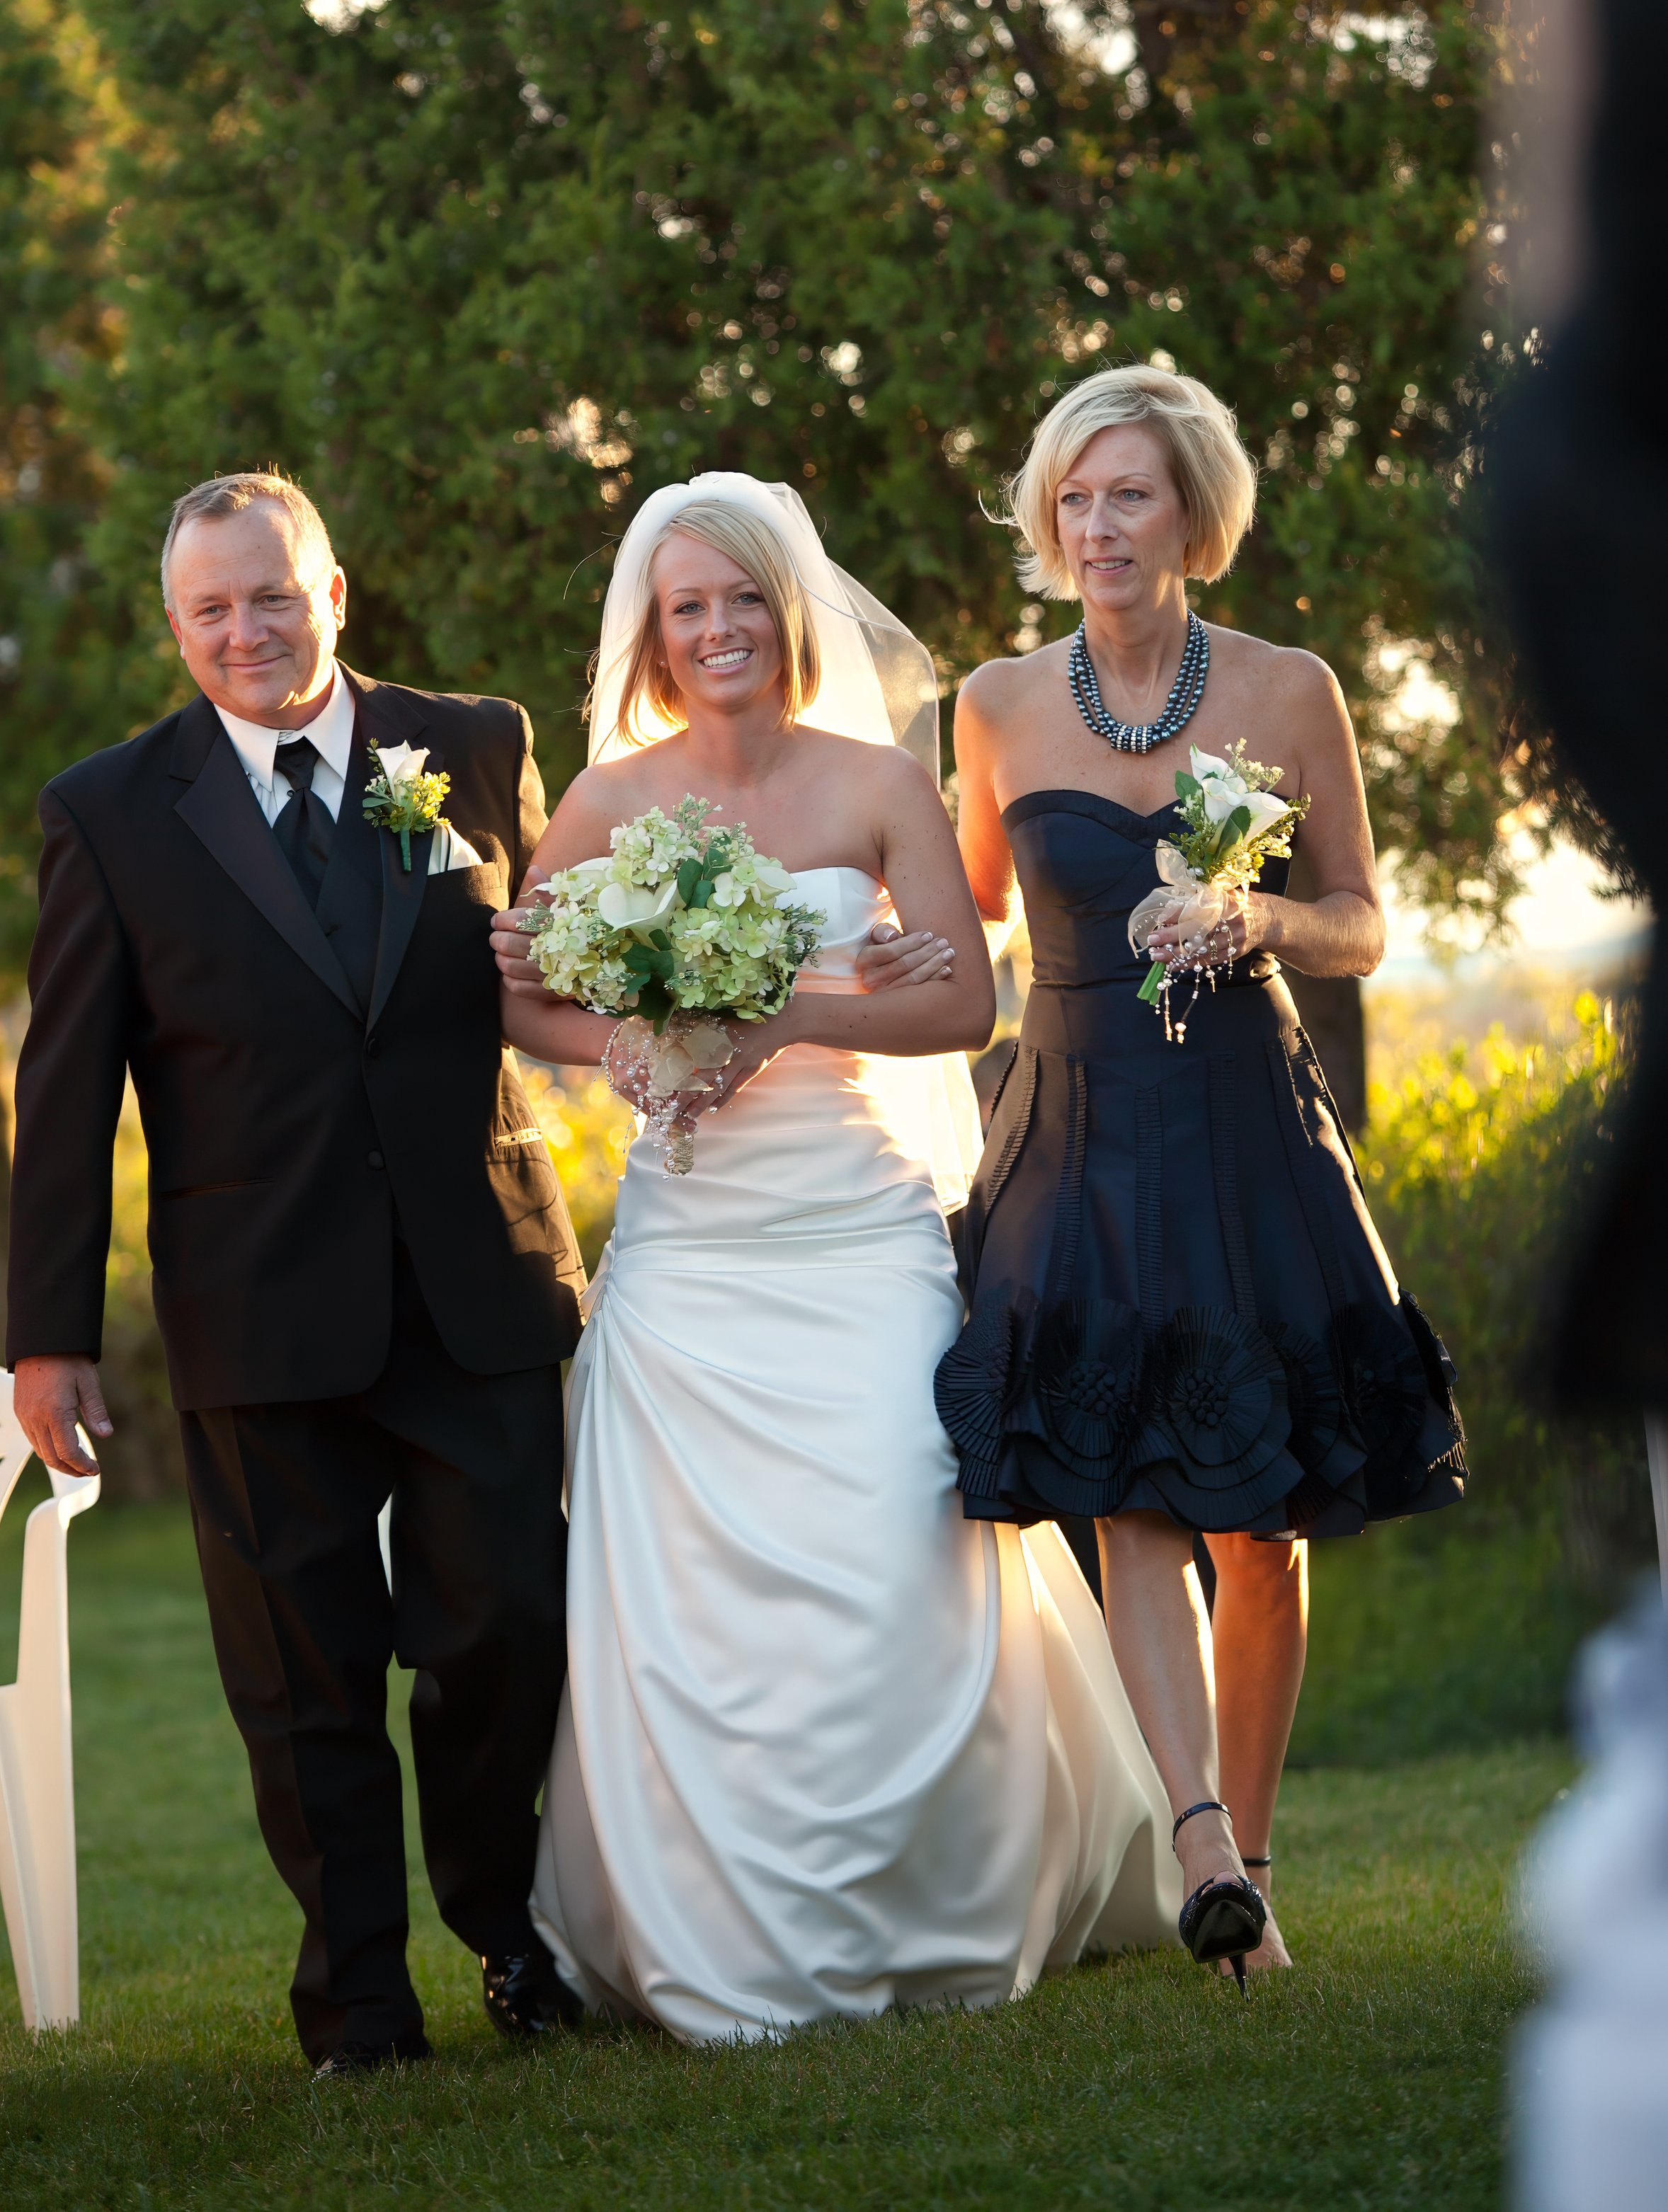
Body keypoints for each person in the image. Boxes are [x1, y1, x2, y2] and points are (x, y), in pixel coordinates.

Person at [490, 474, 1180, 2041]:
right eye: (689, 608)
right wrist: (633, 1044)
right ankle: (706, 1916)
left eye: (742, 599)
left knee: (894, 1541)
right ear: (654, 639)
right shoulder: (604, 806)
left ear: (784, 616)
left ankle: (936, 1898)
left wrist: (785, 1013)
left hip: (859, 1228)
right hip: (689, 1244)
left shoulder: (878, 780)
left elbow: (961, 1011)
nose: (718, 628)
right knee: (691, 1596)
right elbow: (522, 997)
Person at [5, 471, 586, 2075]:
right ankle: (356, 2009)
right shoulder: (108, 810)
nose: (245, 633)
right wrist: (48, 1338)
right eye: (210, 610)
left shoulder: (472, 741)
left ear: (335, 594)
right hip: (254, 1303)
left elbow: (563, 964)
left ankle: (503, 1931)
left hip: (475, 1275)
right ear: (176, 626)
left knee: (502, 1630)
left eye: (273, 597)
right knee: (300, 1676)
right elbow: (63, 1089)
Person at [932, 367, 1466, 1979]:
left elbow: (1362, 923)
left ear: (1192, 517)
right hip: (1076, 1128)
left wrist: (1263, 921)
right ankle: (1198, 1846)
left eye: (1129, 497)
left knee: (1261, 1521)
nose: (1096, 527)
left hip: (1244, 1119)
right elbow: (962, 931)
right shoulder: (996, 706)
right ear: (1047, 519)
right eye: (1073, 499)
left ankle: (1250, 1852)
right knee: (1126, 1487)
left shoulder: (1290, 688)